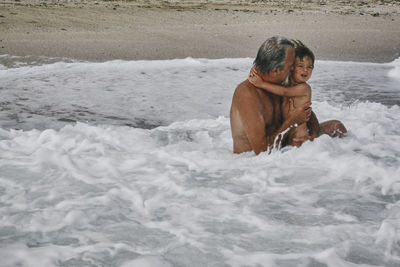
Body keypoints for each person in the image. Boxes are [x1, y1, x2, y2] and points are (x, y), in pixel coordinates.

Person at [230, 36, 346, 155]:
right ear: (276, 70)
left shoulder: (279, 84)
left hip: (282, 145)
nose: (293, 69)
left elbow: (304, 113)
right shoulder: (248, 95)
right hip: (256, 163)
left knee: (337, 127)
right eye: (291, 65)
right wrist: (292, 121)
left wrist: (313, 136)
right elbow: (262, 152)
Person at [247, 40, 317, 147]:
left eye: (309, 67)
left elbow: (284, 91)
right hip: (287, 132)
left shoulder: (304, 88)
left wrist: (261, 83)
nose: (305, 70)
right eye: (300, 66)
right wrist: (256, 70)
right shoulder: (286, 82)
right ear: (291, 67)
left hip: (300, 134)